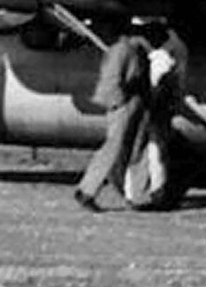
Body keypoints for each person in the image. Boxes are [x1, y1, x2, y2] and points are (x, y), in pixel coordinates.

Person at [73, 18, 154, 212]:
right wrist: (118, 102)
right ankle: (88, 189)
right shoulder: (123, 50)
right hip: (125, 101)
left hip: (134, 100)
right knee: (115, 147)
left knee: (136, 148)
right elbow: (112, 78)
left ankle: (137, 195)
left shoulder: (128, 49)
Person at [123, 22, 188, 211]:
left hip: (144, 106)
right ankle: (155, 192)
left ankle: (134, 193)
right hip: (156, 108)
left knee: (140, 151)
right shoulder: (166, 56)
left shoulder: (143, 53)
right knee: (155, 152)